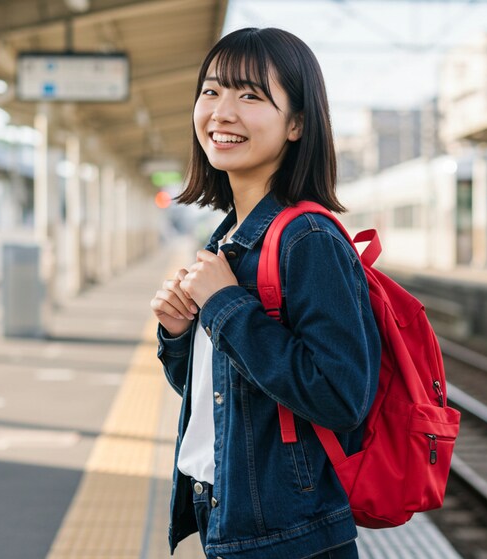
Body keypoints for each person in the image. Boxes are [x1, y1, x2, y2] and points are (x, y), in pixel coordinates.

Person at [150, 27, 380, 559]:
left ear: (297, 123)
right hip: (227, 510)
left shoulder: (308, 238)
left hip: (288, 534)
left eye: (250, 95)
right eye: (211, 91)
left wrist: (227, 307)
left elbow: (342, 396)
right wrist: (180, 335)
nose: (222, 112)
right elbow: (222, 393)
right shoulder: (230, 236)